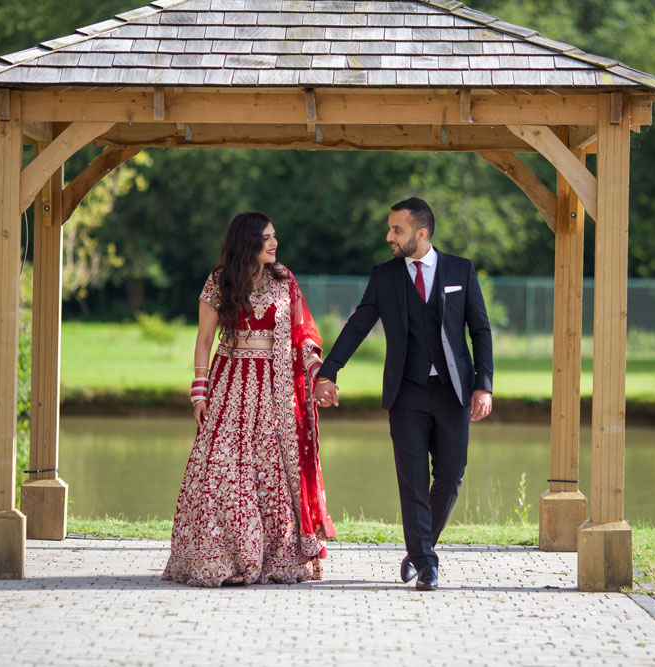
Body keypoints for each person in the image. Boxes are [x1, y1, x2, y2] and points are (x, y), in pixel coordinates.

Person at [313, 197, 493, 591]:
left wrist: (484, 384)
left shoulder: (460, 269)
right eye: (390, 229)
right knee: (412, 481)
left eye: (397, 230)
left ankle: (418, 548)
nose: (389, 236)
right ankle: (427, 564)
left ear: (421, 233)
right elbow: (358, 325)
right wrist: (327, 373)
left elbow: (480, 330)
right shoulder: (385, 275)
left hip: (453, 392)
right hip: (406, 393)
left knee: (451, 475)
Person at [162, 212, 334, 587]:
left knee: (271, 473)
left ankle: (274, 557)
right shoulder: (219, 280)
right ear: (248, 242)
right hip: (230, 383)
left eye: (275, 237)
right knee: (222, 468)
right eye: (266, 238)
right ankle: (222, 556)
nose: (274, 244)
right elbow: (204, 341)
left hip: (274, 392)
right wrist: (199, 392)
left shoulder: (285, 280)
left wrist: (317, 370)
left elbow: (303, 334)